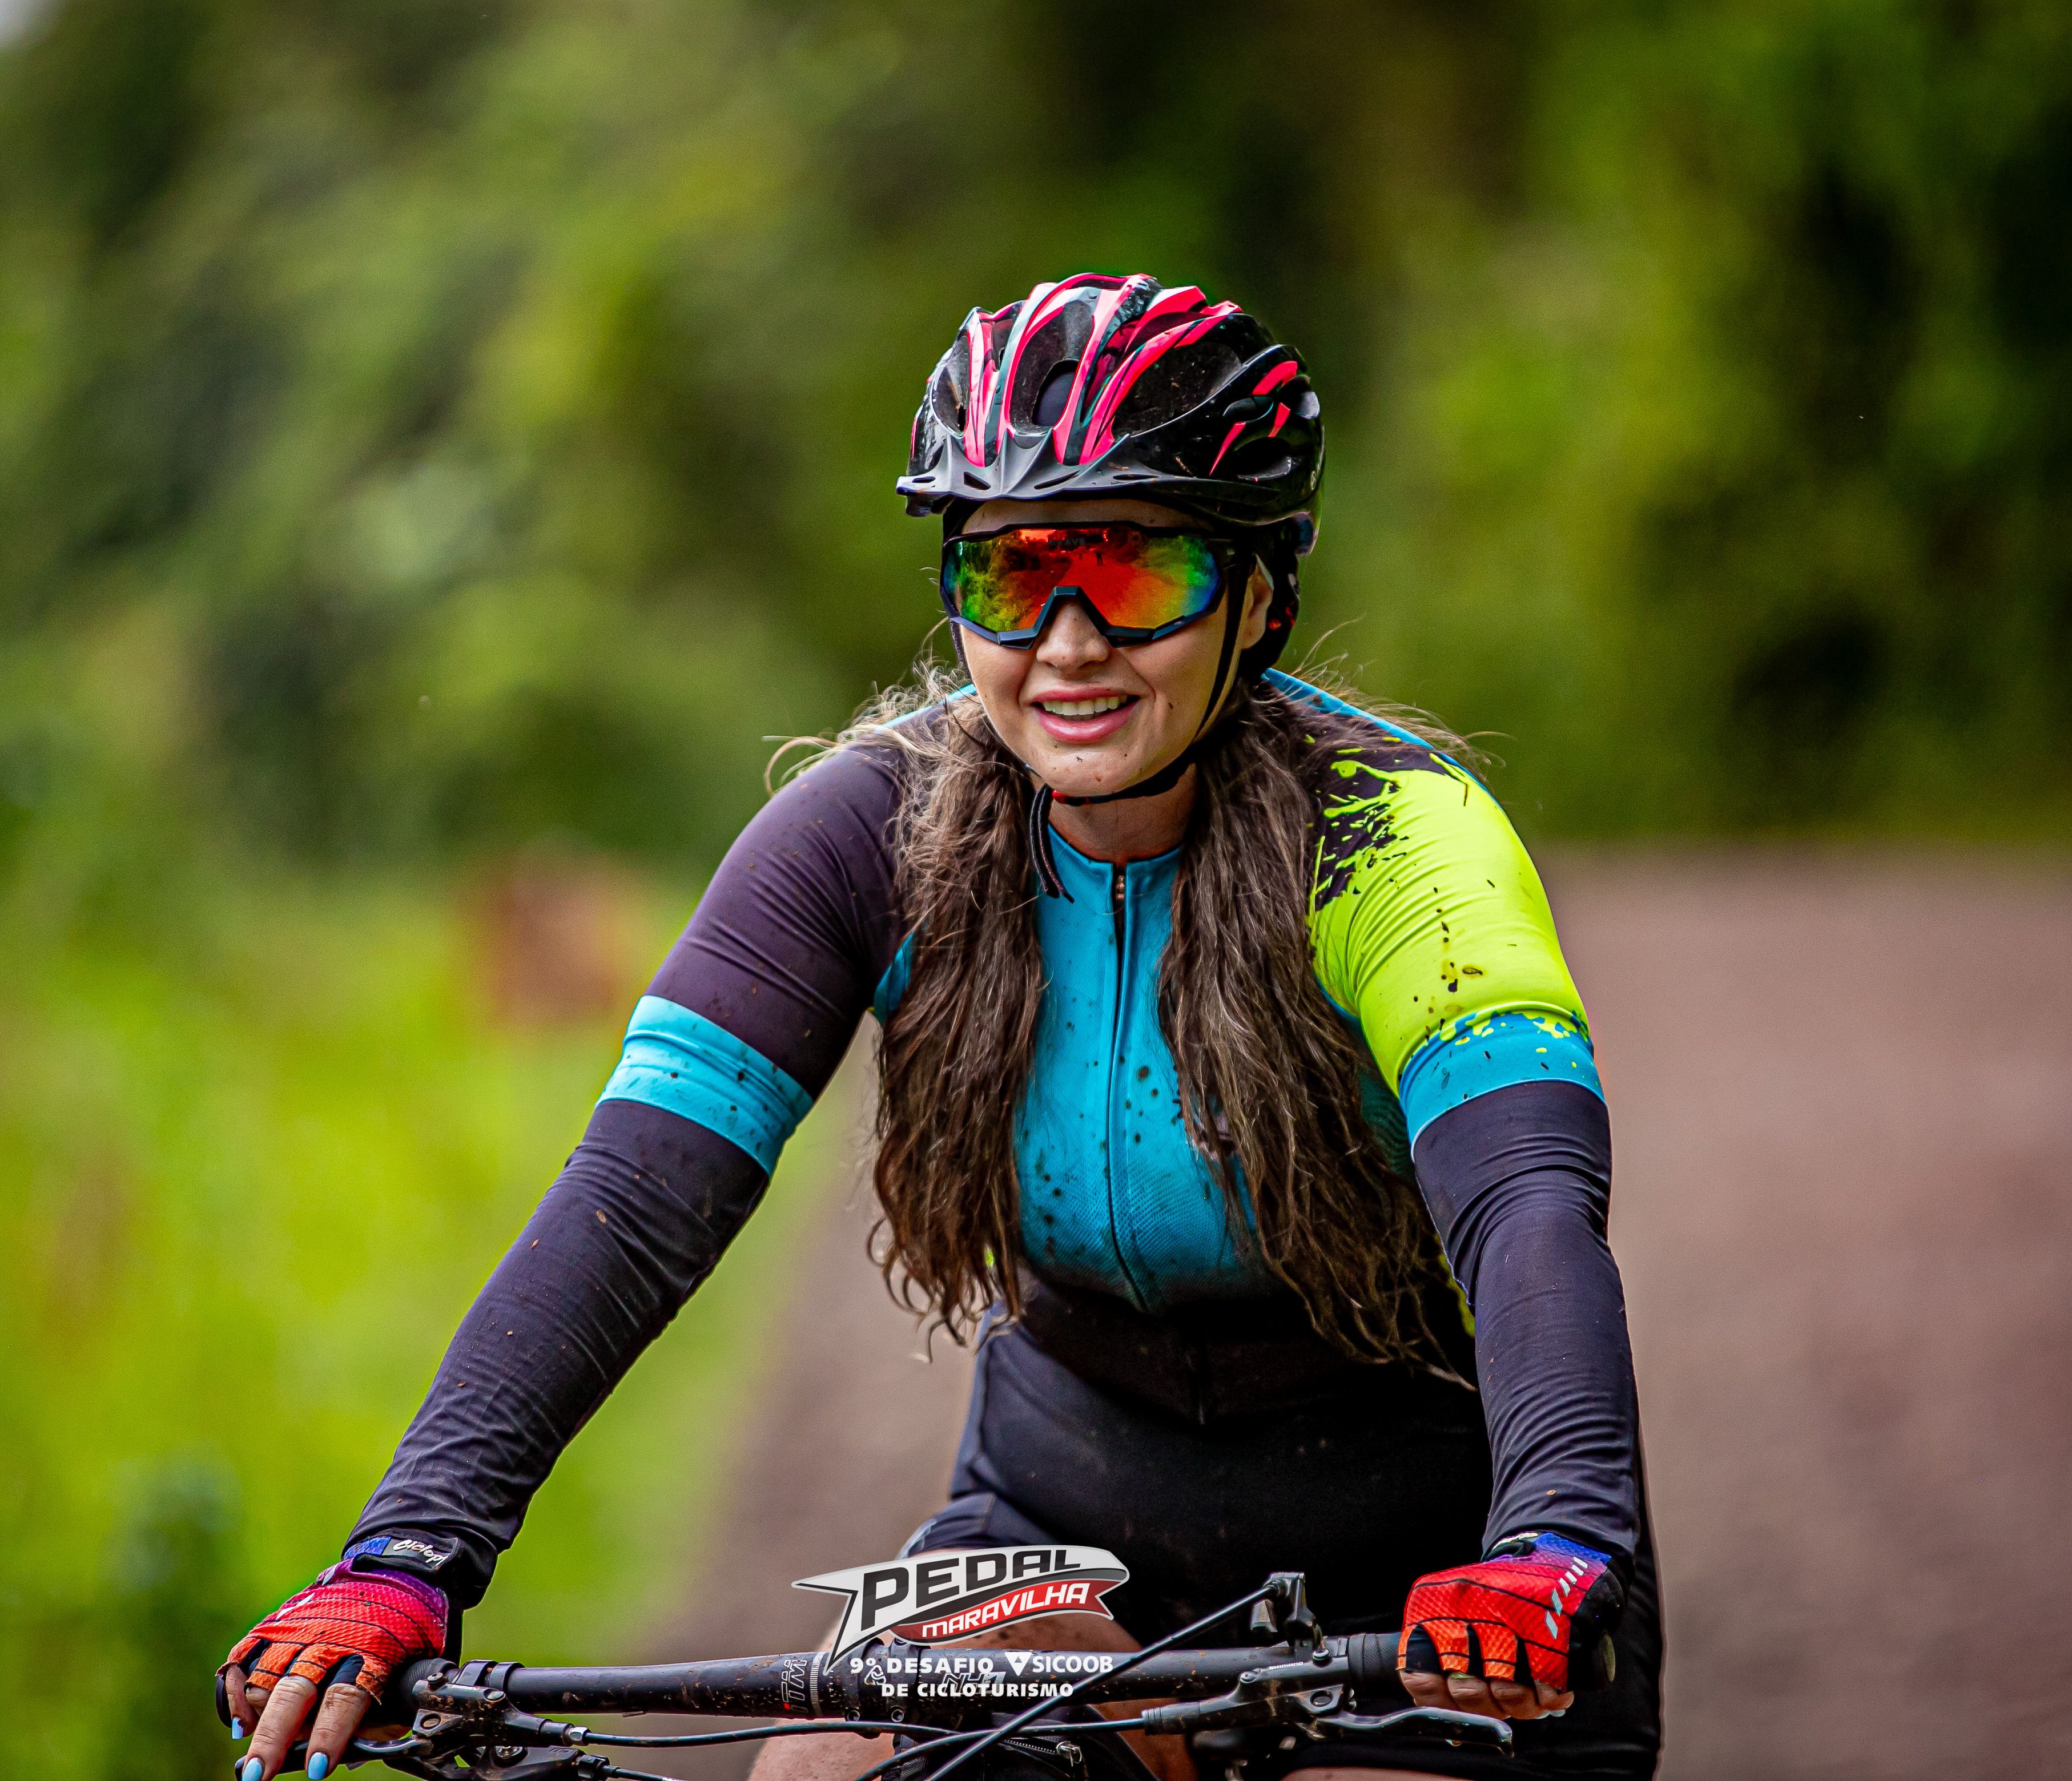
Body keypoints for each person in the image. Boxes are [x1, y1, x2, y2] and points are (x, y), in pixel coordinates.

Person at [216, 273, 1662, 1781]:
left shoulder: (1391, 836)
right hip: (1061, 1541)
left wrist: (1552, 1542)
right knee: (819, 1773)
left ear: (1260, 595)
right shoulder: (866, 833)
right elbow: (638, 1198)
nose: (1068, 642)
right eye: (1013, 572)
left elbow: (1528, 1204)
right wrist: (406, 1554)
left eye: (1136, 568)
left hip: (1437, 1576)